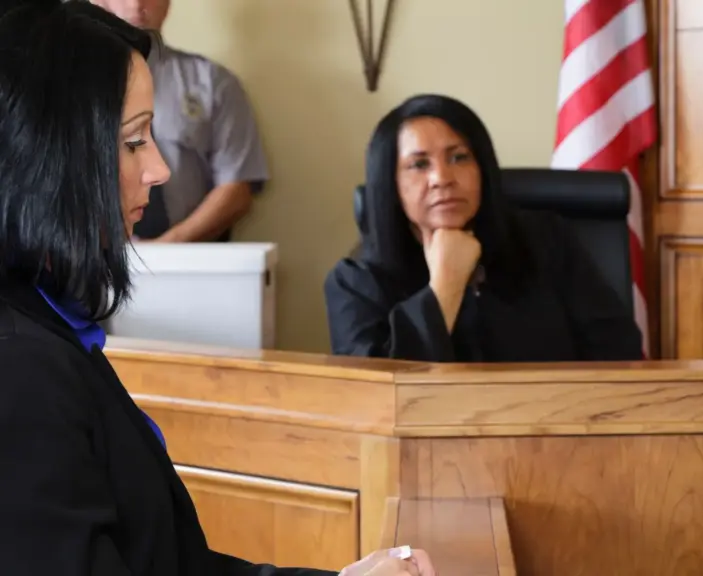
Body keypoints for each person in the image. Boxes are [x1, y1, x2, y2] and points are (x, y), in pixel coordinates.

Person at [0, 3, 433, 575]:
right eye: (133, 142)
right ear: (47, 153)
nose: (160, 168)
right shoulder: (19, 366)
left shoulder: (48, 322)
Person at [323, 94, 643, 362]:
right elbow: (379, 399)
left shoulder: (546, 240)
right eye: (419, 164)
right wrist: (445, 286)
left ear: (483, 170)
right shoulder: (356, 282)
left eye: (459, 158)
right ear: (390, 185)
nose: (442, 178)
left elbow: (618, 351)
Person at [87, 0, 269, 242]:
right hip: (91, 265)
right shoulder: (66, 84)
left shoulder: (213, 83)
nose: (137, 3)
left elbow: (236, 187)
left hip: (190, 263)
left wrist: (169, 247)